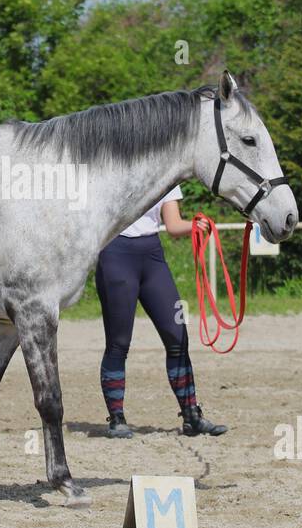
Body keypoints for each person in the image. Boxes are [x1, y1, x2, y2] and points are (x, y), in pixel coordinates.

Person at [95, 184, 227, 439]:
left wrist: (195, 226)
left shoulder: (166, 176)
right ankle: (117, 418)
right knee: (118, 343)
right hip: (116, 254)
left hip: (153, 256)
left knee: (178, 335)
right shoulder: (112, 164)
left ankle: (191, 416)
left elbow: (174, 225)